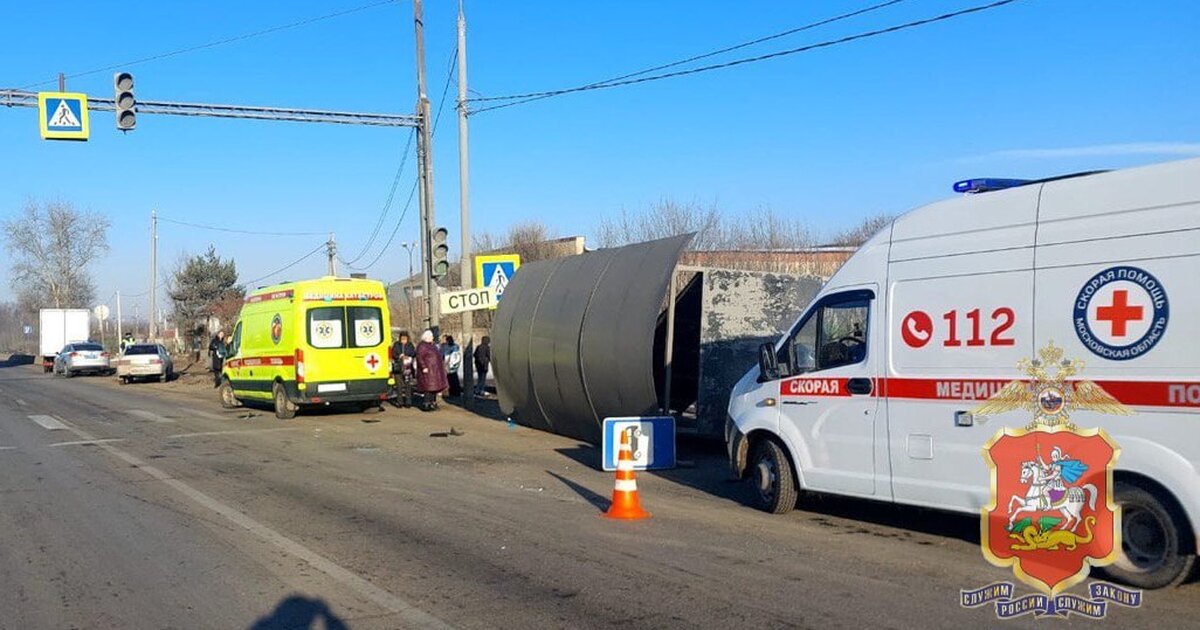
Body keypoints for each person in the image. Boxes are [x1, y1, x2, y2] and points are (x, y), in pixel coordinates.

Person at [415, 330, 448, 411]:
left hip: (435, 371)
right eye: (431, 336)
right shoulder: (422, 346)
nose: (432, 338)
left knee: (434, 388)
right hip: (428, 371)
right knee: (428, 388)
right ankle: (427, 404)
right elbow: (420, 357)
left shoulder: (432, 346)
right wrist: (424, 367)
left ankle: (433, 403)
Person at [391, 331, 417, 407]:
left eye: (405, 338)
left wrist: (407, 356)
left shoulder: (410, 345)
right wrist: (399, 356)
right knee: (399, 386)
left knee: (408, 385)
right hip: (398, 367)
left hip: (407, 368)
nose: (403, 340)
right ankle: (400, 402)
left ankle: (408, 402)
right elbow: (393, 354)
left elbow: (413, 353)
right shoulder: (396, 345)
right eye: (402, 338)